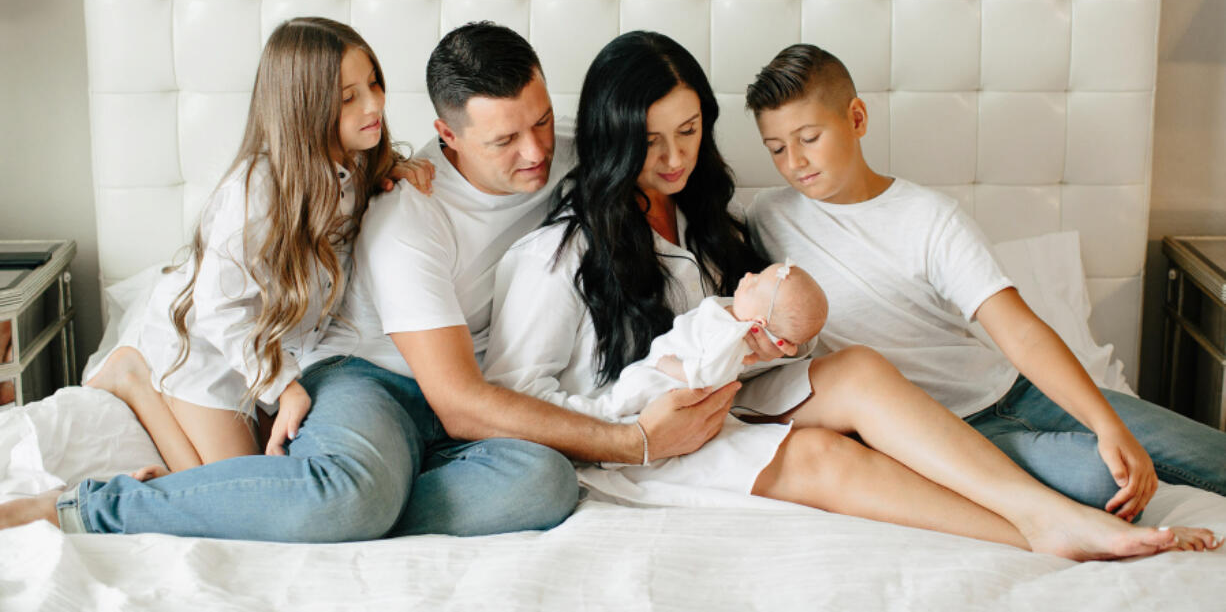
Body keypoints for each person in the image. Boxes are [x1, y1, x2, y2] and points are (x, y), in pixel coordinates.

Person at [484, 29, 1218, 560]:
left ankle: (1048, 516)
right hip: (636, 434)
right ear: (613, 138)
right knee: (823, 459)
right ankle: (1042, 529)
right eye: (650, 141)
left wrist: (774, 339)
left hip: (729, 402)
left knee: (860, 368)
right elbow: (512, 401)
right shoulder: (554, 255)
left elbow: (758, 328)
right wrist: (640, 431)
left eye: (690, 131)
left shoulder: (719, 227)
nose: (675, 158)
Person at [0, 22, 733, 542]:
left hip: (461, 409)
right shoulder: (402, 212)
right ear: (449, 137)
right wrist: (632, 439)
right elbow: (455, 397)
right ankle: (85, 508)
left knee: (543, 483)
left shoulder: (543, 156)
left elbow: (655, 164)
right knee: (347, 495)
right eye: (505, 140)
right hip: (371, 378)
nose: (536, 152)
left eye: (541, 122)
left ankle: (342, 499)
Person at [745, 43, 1226, 521]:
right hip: (943, 434)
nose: (794, 163)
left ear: (856, 119)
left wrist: (1107, 423)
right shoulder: (765, 217)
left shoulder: (928, 217)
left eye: (809, 138)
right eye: (776, 148)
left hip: (1015, 390)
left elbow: (1017, 330)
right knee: (1104, 483)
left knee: (1209, 454)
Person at [85, 17, 397, 472]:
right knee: (236, 482)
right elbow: (220, 309)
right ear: (303, 108)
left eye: (374, 83)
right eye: (350, 97)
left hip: (269, 342)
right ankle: (132, 377)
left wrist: (399, 170)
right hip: (207, 341)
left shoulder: (355, 165)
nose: (374, 105)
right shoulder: (257, 190)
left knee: (268, 471)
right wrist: (284, 387)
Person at [594, 260, 826, 420]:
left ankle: (604, 413)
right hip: (660, 365)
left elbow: (706, 376)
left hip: (670, 382)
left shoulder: (730, 335)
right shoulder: (736, 314)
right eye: (756, 274)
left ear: (759, 323)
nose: (748, 276)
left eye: (754, 284)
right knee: (631, 384)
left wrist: (670, 366)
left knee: (633, 390)